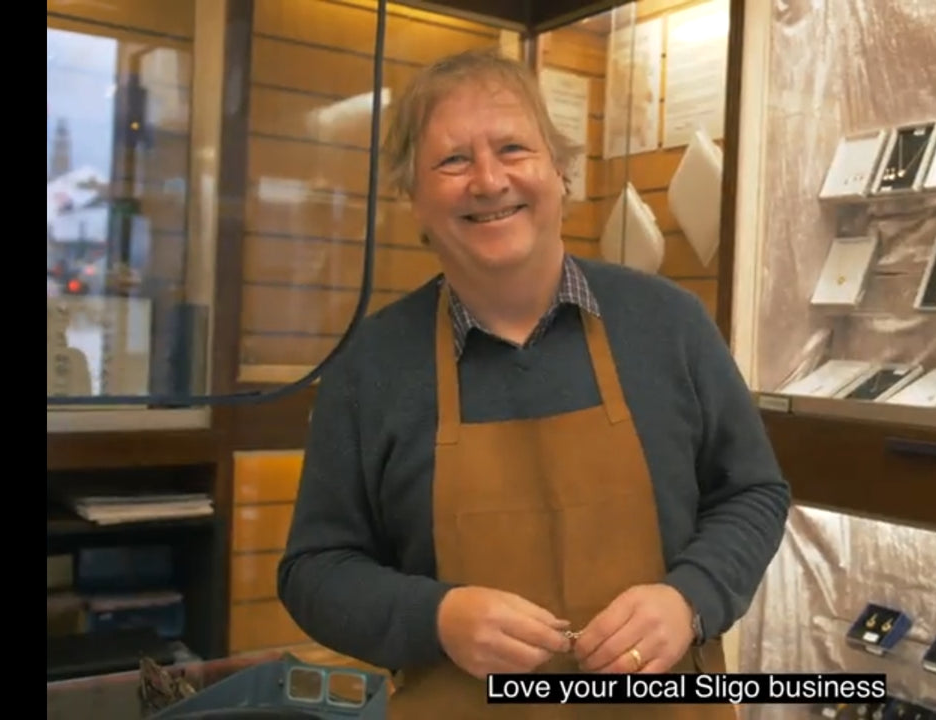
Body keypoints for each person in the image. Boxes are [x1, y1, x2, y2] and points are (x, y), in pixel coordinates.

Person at [276, 47, 792, 719]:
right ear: (412, 198)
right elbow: (315, 570)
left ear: (561, 171)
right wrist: (437, 617)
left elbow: (752, 492)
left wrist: (690, 597)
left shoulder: (670, 324)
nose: (489, 181)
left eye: (513, 149)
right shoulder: (369, 367)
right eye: (453, 160)